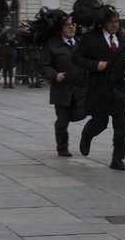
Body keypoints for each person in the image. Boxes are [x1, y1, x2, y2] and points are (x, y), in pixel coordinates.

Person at [73, 1, 125, 170]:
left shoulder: (122, 38)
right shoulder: (90, 38)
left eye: (117, 21)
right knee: (100, 123)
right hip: (99, 89)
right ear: (104, 22)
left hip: (119, 90)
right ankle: (87, 135)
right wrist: (94, 65)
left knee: (121, 129)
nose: (115, 25)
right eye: (112, 22)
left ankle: (118, 159)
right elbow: (76, 58)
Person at [33, 9, 86, 156]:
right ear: (60, 28)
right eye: (68, 25)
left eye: (73, 24)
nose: (71, 27)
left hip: (81, 89)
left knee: (82, 114)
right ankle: (62, 148)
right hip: (62, 90)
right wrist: (55, 75)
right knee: (62, 122)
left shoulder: (81, 44)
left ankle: (71, 121)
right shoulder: (52, 45)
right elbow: (43, 65)